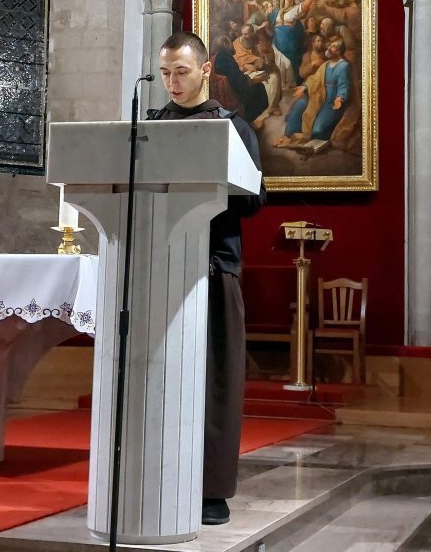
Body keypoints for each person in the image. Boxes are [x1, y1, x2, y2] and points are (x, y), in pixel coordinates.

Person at [148, 31, 266, 526]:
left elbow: (255, 200)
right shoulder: (149, 126)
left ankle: (211, 488)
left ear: (204, 70)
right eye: (165, 73)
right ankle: (153, 475)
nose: (172, 82)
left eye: (181, 72)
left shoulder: (232, 127)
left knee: (215, 380)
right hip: (156, 263)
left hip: (214, 264)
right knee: (155, 374)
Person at [273, 37, 351, 146]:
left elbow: (344, 85)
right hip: (318, 96)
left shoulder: (344, 66)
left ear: (339, 51)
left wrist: (340, 98)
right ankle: (288, 135)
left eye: (333, 46)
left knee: (317, 130)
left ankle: (315, 140)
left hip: (332, 101)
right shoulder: (326, 64)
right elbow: (314, 79)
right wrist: (304, 87)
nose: (329, 48)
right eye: (329, 45)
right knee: (299, 106)